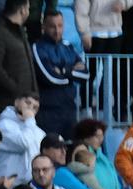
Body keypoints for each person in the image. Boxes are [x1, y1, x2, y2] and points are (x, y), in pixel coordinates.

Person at [32, 10, 89, 138]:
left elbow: (85, 74)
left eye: (60, 26)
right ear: (44, 27)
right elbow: (50, 78)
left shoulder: (67, 46)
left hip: (70, 110)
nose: (57, 30)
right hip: (48, 112)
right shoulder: (38, 48)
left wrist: (63, 71)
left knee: (71, 152)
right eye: (52, 26)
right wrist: (72, 72)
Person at [0, 0, 37, 120]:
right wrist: (18, 92)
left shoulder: (20, 31)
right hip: (4, 108)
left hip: (25, 107)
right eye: (28, 8)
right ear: (22, 10)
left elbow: (29, 67)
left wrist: (34, 96)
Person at [0, 92, 45, 184]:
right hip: (8, 185)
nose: (30, 108)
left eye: (35, 107)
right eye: (27, 103)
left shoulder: (38, 131)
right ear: (17, 102)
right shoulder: (4, 125)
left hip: (31, 185)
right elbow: (23, 143)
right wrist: (30, 120)